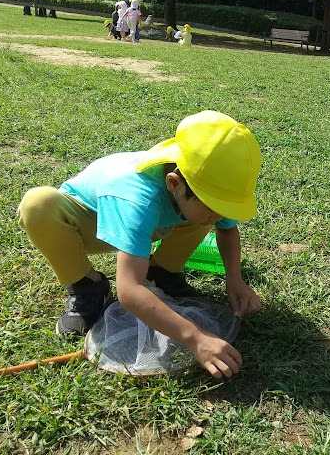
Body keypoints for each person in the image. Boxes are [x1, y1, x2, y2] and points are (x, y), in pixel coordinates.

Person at [17, 111, 262, 379]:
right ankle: (88, 287)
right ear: (174, 183)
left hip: (155, 220)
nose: (221, 214)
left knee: (200, 216)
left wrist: (234, 278)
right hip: (91, 223)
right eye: (215, 207)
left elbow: (227, 230)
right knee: (38, 204)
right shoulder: (136, 198)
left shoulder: (205, 183)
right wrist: (195, 338)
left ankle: (161, 273)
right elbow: (130, 290)